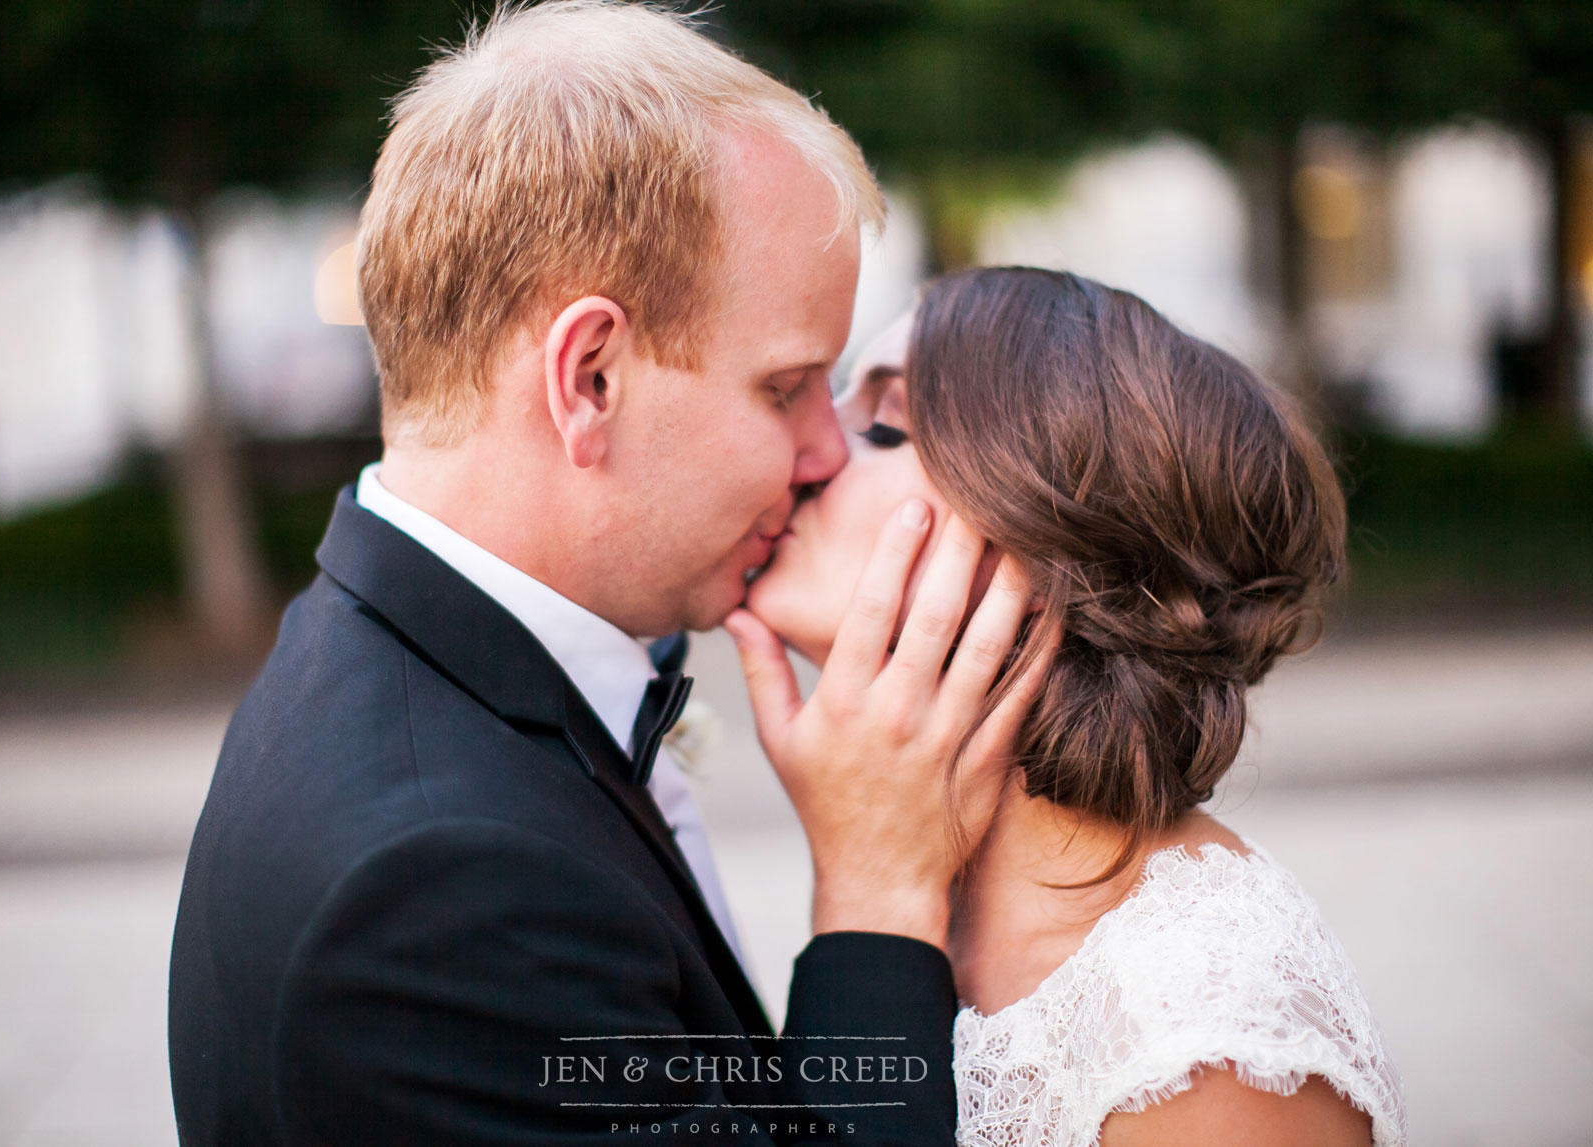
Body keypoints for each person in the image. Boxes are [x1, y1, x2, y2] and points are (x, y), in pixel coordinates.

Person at [168, 4, 1049, 1145]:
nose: (826, 449)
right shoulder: (442, 894)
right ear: (587, 377)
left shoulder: (387, 661)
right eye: (785, 387)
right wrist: (875, 894)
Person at [738, 267, 1408, 1147]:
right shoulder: (935, 901)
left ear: (1053, 531)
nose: (811, 451)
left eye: (887, 423)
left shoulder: (1202, 1036)